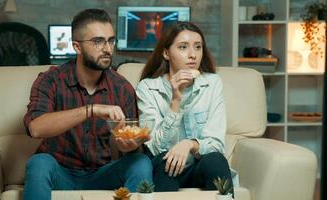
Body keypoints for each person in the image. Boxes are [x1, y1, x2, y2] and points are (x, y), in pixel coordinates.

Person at [23, 9, 152, 200]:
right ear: (77, 46)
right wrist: (91, 110)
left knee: (141, 162)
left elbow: (129, 147)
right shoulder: (51, 80)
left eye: (111, 40)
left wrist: (126, 145)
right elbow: (35, 128)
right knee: (39, 163)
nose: (108, 49)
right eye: (98, 41)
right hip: (60, 172)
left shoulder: (122, 87)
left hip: (102, 173)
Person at [136, 21, 234, 193]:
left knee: (216, 159)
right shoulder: (148, 88)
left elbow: (216, 145)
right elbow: (156, 148)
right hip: (164, 169)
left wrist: (190, 144)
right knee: (166, 160)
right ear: (166, 53)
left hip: (198, 167)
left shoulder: (212, 83)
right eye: (183, 47)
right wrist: (175, 101)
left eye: (198, 47)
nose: (192, 55)